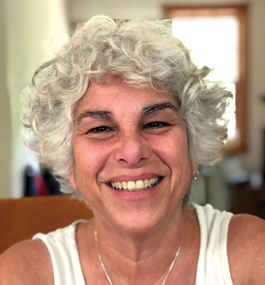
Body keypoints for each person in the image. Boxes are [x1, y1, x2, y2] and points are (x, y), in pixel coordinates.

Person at [0, 15, 265, 285]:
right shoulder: (23, 274)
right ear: (70, 164)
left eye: (156, 123)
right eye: (100, 129)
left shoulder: (254, 254)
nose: (132, 150)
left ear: (193, 147)